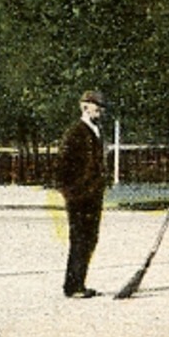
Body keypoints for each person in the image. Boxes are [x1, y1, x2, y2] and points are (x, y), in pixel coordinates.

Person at [57, 89, 109, 298]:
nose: (101, 110)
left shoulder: (97, 131)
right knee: (80, 239)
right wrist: (73, 192)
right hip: (80, 197)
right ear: (84, 106)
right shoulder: (75, 132)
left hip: (94, 196)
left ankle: (79, 282)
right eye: (97, 105)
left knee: (90, 238)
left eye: (102, 106)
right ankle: (73, 286)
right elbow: (62, 168)